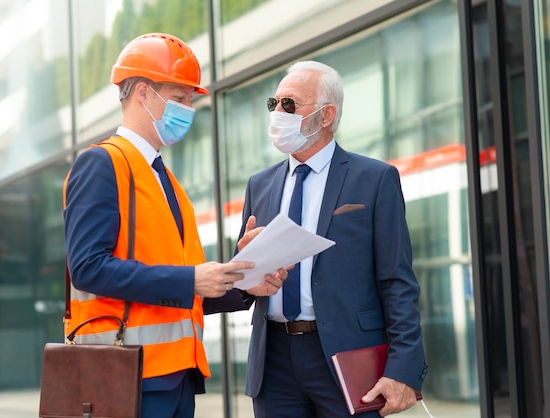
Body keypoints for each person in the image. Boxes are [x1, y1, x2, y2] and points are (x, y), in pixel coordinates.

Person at [62, 33, 285, 418]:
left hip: (176, 378)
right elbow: (87, 268)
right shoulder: (102, 164)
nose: (188, 109)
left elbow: (183, 289)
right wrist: (191, 281)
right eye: (180, 98)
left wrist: (243, 279)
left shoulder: (167, 182)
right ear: (144, 94)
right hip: (126, 377)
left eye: (190, 101)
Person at [235, 60, 428, 417]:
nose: (278, 114)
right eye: (273, 104)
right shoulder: (258, 185)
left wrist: (402, 370)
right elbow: (241, 285)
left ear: (326, 116)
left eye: (289, 105)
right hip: (273, 363)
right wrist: (243, 271)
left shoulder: (375, 179)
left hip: (349, 359)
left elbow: (397, 282)